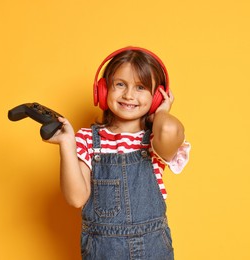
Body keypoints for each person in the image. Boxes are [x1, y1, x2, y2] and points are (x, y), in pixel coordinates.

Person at [46, 46, 191, 260]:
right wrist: (67, 143)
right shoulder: (87, 138)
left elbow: (170, 130)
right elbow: (76, 198)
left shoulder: (155, 140)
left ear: (157, 97)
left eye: (141, 87)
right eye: (120, 84)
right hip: (103, 251)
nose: (128, 95)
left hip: (153, 249)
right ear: (103, 91)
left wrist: (160, 112)